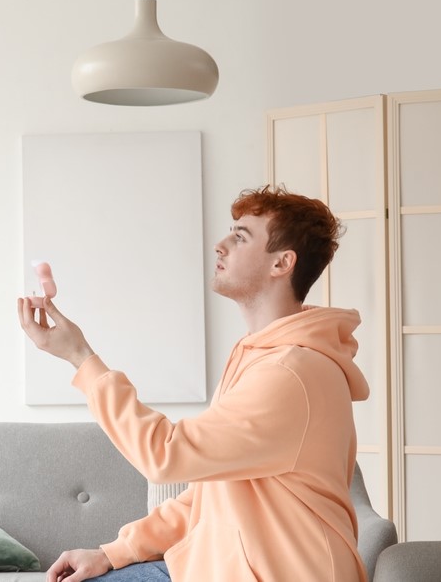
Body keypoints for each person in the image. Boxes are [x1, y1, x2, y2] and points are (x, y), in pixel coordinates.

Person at [19, 185, 370, 582]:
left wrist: (80, 357)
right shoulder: (260, 357)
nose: (221, 246)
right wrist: (112, 553)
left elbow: (165, 454)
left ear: (281, 263)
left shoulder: (290, 373)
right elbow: (209, 494)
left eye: (240, 237)